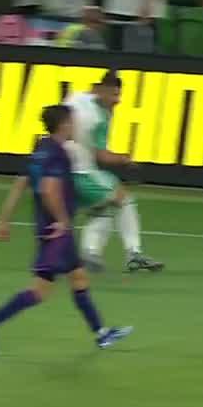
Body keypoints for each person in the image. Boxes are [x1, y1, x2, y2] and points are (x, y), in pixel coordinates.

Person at [0, 104, 134, 355]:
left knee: (79, 278)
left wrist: (4, 220)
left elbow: (20, 184)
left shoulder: (41, 148)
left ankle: (102, 334)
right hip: (56, 233)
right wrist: (61, 220)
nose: (74, 126)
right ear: (63, 125)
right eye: (72, 122)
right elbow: (49, 189)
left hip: (55, 230)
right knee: (40, 291)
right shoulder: (58, 153)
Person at [64, 73, 164, 273]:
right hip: (81, 173)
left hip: (60, 171)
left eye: (119, 95)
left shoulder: (74, 98)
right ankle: (134, 253)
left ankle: (90, 252)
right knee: (122, 197)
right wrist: (126, 160)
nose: (117, 101)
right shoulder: (99, 116)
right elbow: (103, 157)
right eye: (114, 95)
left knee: (104, 207)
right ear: (101, 90)